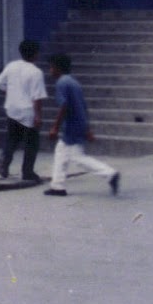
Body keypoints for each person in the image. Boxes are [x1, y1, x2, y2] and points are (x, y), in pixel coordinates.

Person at [43, 53, 119, 197]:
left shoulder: (62, 83)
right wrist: (87, 128)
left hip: (71, 125)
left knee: (77, 157)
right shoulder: (73, 82)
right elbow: (83, 106)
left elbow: (64, 106)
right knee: (62, 151)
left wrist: (55, 127)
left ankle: (110, 173)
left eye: (51, 67)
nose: (50, 70)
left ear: (58, 68)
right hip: (78, 124)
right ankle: (57, 185)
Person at [0, 38, 47, 182]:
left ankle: (5, 160)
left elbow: (0, 84)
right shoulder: (36, 72)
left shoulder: (11, 66)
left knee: (12, 138)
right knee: (32, 142)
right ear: (35, 54)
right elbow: (37, 97)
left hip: (11, 108)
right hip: (28, 111)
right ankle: (27, 171)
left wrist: (11, 94)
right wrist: (38, 116)